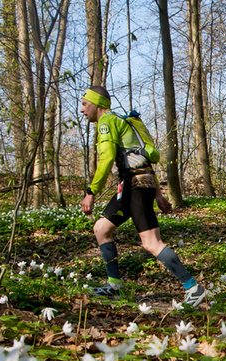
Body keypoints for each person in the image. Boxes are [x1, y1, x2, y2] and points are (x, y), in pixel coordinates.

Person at [80, 86, 206, 307]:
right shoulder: (123, 122)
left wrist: (91, 192)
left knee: (151, 243)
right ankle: (114, 288)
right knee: (101, 229)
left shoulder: (107, 122)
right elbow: (143, 159)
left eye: (84, 103)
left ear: (97, 104)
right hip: (134, 184)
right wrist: (157, 194)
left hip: (134, 185)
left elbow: (107, 158)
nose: (82, 109)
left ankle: (193, 288)